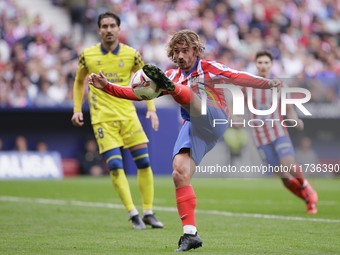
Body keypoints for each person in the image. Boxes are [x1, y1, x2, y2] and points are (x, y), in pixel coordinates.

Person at [89, 29, 279, 252]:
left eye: (185, 51)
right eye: (176, 51)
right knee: (180, 171)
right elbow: (136, 94)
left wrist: (268, 84)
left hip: (214, 117)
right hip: (192, 124)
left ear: (196, 51)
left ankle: (176, 91)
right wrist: (107, 87)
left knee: (194, 101)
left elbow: (237, 76)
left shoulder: (209, 68)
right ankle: (190, 234)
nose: (180, 56)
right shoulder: (171, 74)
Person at [71, 11, 163, 230]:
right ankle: (133, 213)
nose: (109, 29)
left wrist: (152, 108)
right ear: (99, 29)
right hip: (103, 118)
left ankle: (148, 211)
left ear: (119, 29)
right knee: (114, 165)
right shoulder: (88, 55)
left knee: (144, 162)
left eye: (113, 25)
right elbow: (78, 81)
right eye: (105, 26)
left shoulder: (133, 55)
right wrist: (76, 109)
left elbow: (146, 82)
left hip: (128, 115)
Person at [238, 50, 318, 214]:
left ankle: (306, 186)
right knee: (283, 176)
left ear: (271, 64)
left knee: (287, 164)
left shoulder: (280, 85)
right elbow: (234, 104)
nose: (263, 65)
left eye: (266, 62)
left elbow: (288, 109)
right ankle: (308, 200)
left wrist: (295, 120)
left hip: (278, 132)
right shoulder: (247, 86)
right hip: (259, 137)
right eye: (260, 62)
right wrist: (234, 116)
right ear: (256, 64)